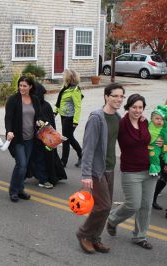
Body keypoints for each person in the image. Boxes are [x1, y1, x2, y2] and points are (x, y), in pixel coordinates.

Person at [76, 83, 125, 254]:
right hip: (97, 170)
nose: (118, 99)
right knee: (103, 206)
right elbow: (88, 148)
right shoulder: (96, 118)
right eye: (115, 96)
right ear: (106, 96)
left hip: (110, 167)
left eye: (121, 96)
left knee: (106, 206)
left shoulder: (117, 117)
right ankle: (83, 234)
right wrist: (86, 174)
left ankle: (95, 238)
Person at [107, 94, 156, 249]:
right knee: (133, 204)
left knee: (146, 206)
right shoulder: (121, 124)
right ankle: (112, 219)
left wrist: (158, 141)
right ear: (128, 107)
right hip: (130, 171)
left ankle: (140, 236)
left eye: (140, 107)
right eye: (134, 107)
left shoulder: (145, 122)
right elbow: (108, 139)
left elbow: (152, 138)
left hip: (149, 170)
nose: (137, 110)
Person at [5, 75, 41, 202]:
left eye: (24, 86)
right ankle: (14, 191)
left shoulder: (35, 99)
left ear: (30, 86)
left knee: (23, 166)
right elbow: (8, 118)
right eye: (20, 85)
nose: (22, 88)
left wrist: (39, 122)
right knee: (21, 164)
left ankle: (20, 190)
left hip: (30, 138)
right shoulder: (13, 100)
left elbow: (38, 115)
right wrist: (9, 131)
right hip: (17, 138)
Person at [26, 81, 67, 187]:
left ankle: (43, 178)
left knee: (38, 158)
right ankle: (38, 177)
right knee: (36, 158)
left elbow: (48, 123)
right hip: (38, 137)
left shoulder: (41, 106)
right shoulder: (43, 105)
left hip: (42, 138)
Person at [54, 69, 83, 168]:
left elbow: (78, 107)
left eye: (64, 76)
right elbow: (60, 101)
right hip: (63, 116)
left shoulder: (75, 90)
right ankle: (81, 154)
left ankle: (63, 161)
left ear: (68, 78)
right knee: (69, 138)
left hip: (70, 118)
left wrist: (75, 121)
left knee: (66, 138)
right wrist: (55, 112)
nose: (62, 77)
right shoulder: (65, 88)